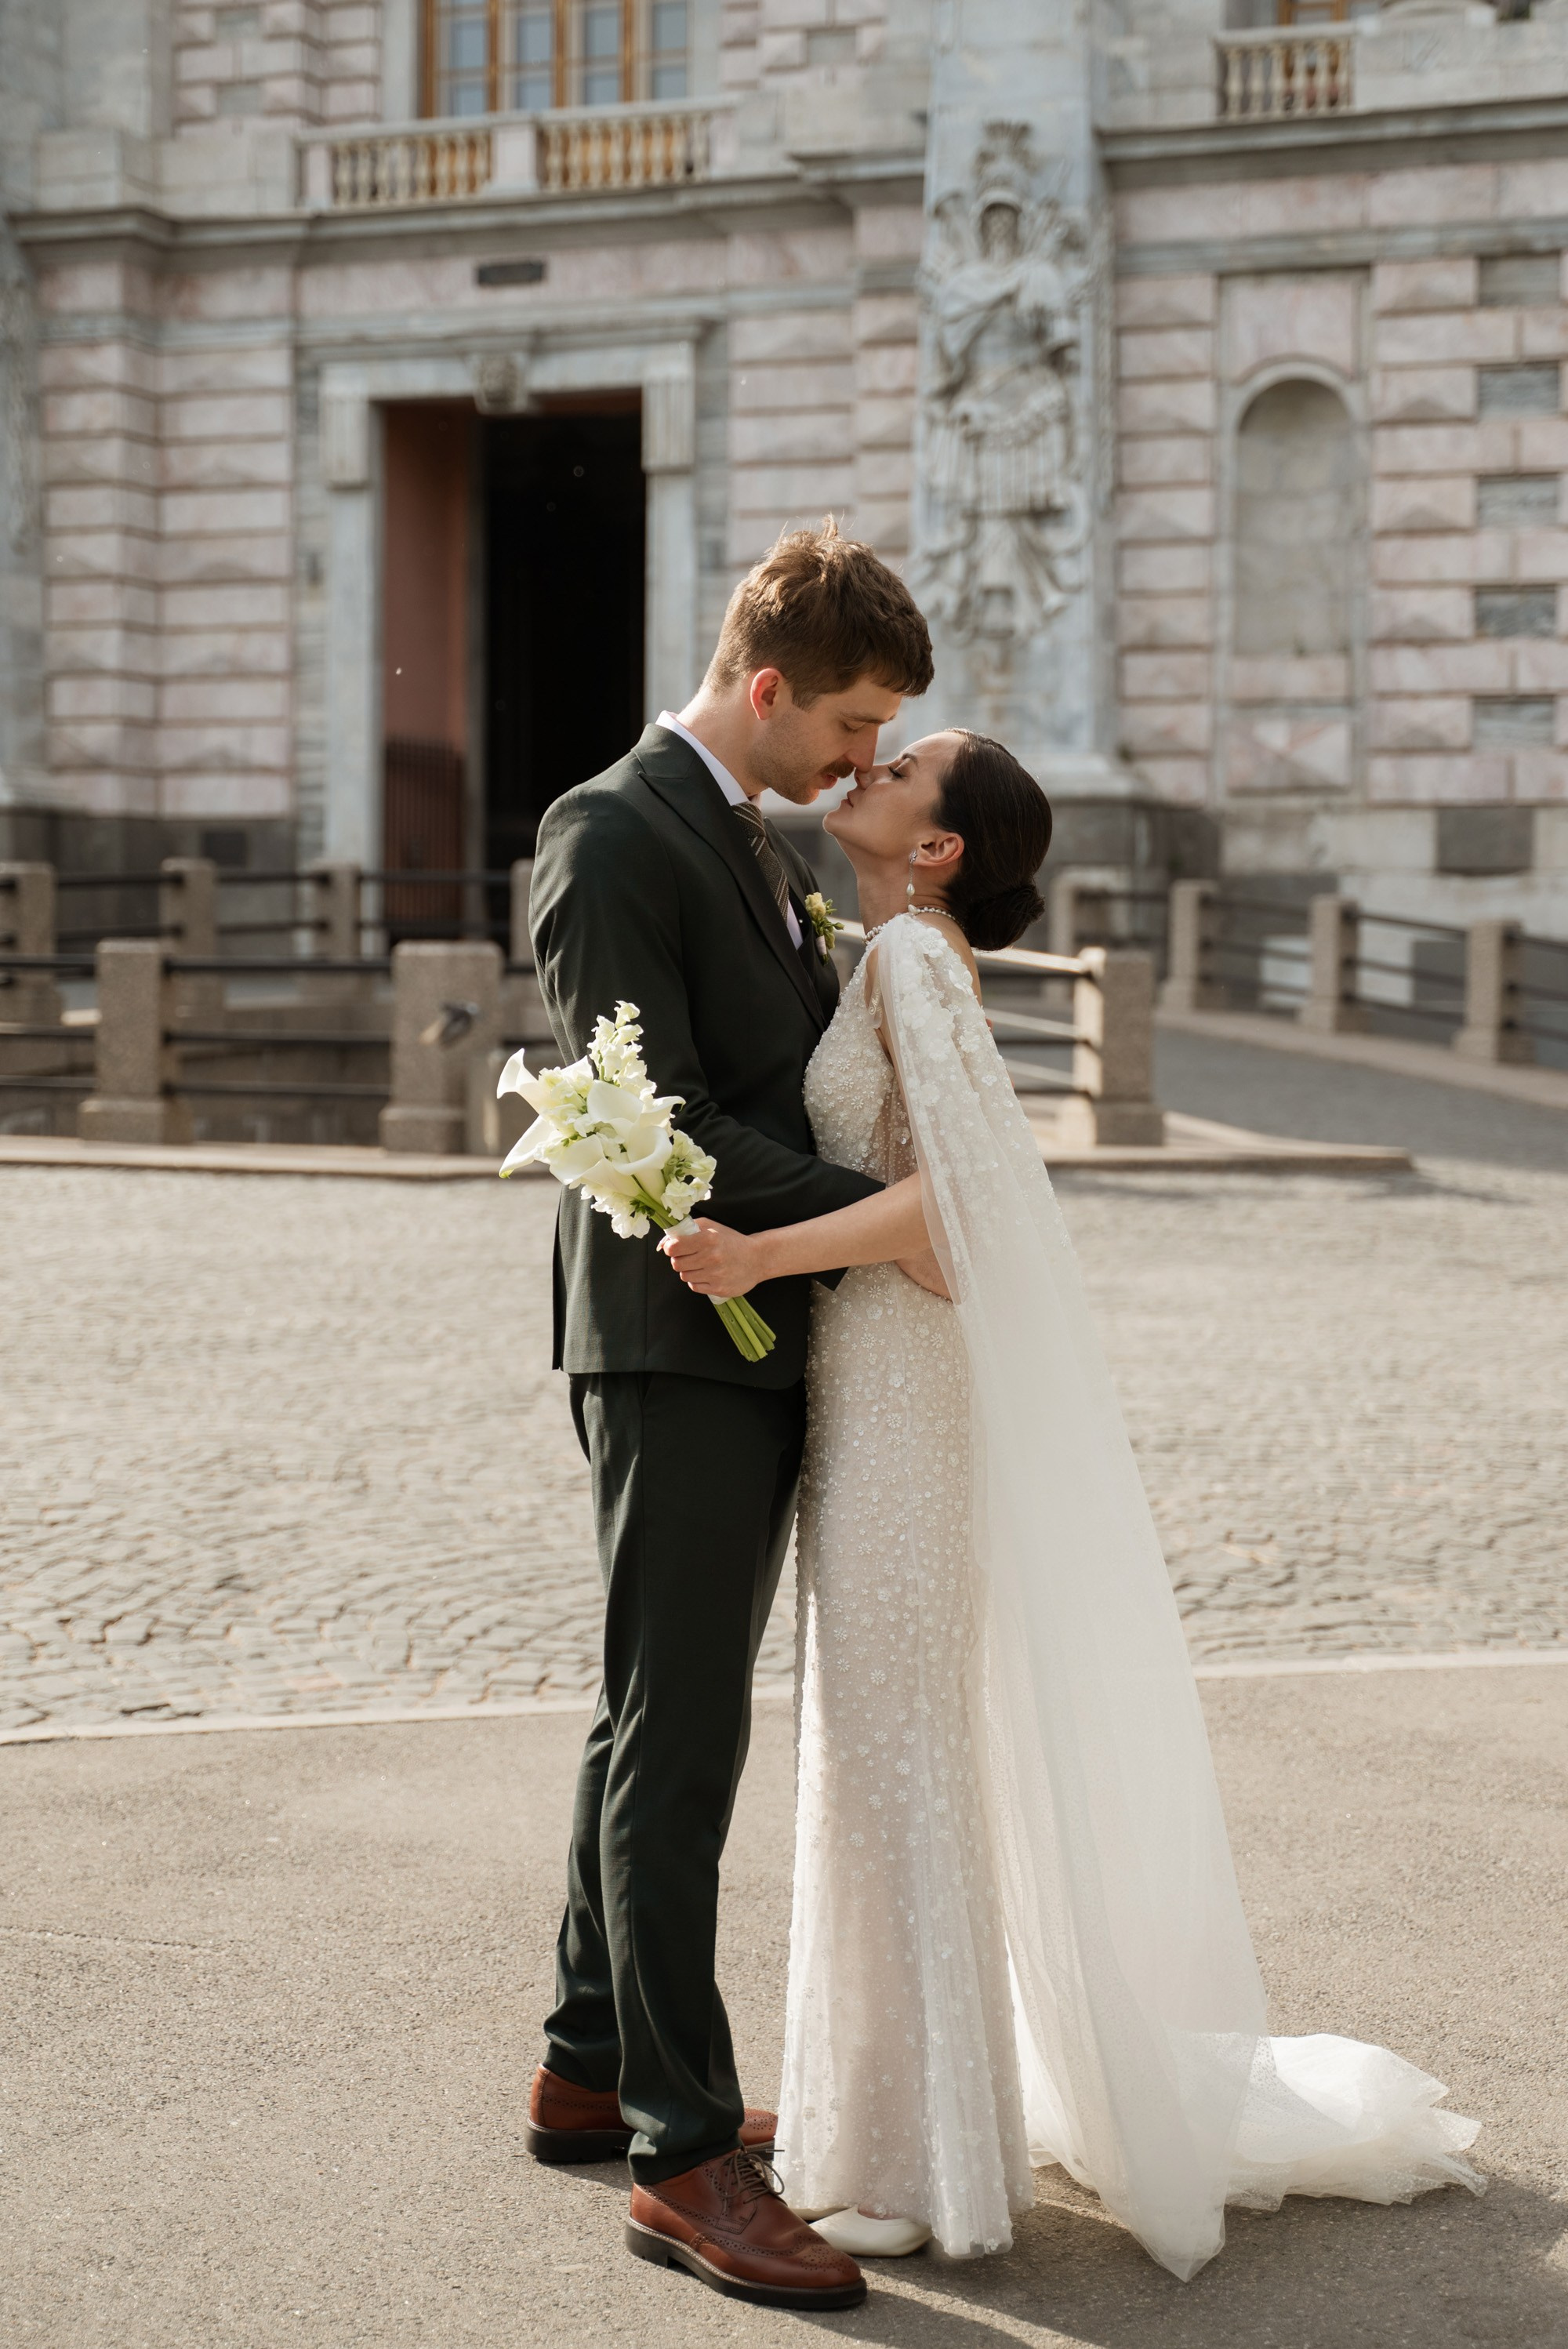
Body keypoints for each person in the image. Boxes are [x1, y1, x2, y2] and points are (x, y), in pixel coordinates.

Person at [664, 730, 1484, 2279]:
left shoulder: (915, 959)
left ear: (939, 843)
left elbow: (967, 1216)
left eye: (898, 765)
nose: (865, 764)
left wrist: (764, 1254)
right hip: (882, 1387)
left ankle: (920, 2164)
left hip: (908, 1388)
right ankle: (880, 2129)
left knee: (895, 1757)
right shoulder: (892, 946)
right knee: (882, 1753)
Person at [522, 520, 934, 2312]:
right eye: (846, 726)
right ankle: (683, 2158)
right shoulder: (612, 828)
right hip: (673, 1329)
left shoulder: (764, 844)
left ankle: (585, 2062)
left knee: (649, 1718)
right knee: (680, 1736)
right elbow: (656, 1109)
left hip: (754, 1319)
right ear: (764, 688)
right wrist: (885, 1221)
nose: (859, 763)